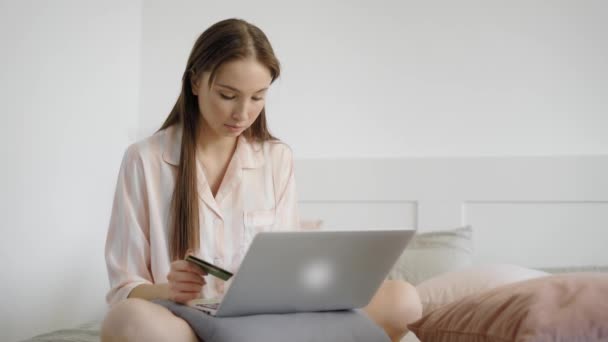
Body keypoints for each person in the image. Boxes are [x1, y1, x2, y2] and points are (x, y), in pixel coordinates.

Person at [100, 18, 421, 342]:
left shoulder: (276, 158)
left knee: (402, 299)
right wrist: (171, 290)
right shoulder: (145, 160)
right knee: (128, 321)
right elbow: (124, 289)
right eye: (228, 95)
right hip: (187, 323)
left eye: (257, 97)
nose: (242, 112)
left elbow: (288, 270)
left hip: (269, 320)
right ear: (196, 82)